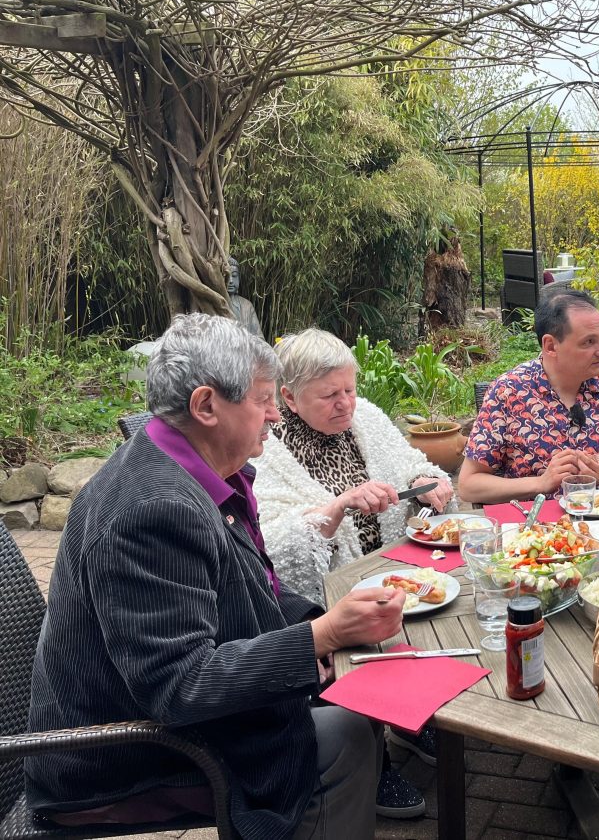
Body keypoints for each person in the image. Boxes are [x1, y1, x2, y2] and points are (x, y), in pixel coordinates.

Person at [26, 314, 414, 840]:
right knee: (344, 732)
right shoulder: (151, 511)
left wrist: (327, 624)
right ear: (206, 405)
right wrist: (324, 636)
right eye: (263, 400)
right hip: (118, 760)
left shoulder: (194, 468)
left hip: (150, 717)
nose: (277, 415)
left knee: (356, 685)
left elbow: (248, 594)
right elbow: (180, 687)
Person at [253, 328, 454, 606]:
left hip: (406, 580)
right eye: (329, 395)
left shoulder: (367, 416)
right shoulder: (264, 449)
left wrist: (422, 482)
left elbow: (412, 463)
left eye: (349, 389)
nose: (346, 404)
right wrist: (335, 509)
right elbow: (268, 547)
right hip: (337, 604)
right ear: (289, 398)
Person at [459, 287, 599, 504]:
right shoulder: (509, 392)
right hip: (532, 531)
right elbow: (469, 486)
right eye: (589, 342)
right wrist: (540, 483)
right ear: (551, 346)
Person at [226, 255, 263, 339]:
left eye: (234, 276)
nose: (231, 281)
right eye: (227, 276)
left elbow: (259, 338)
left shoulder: (246, 305)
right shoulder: (214, 303)